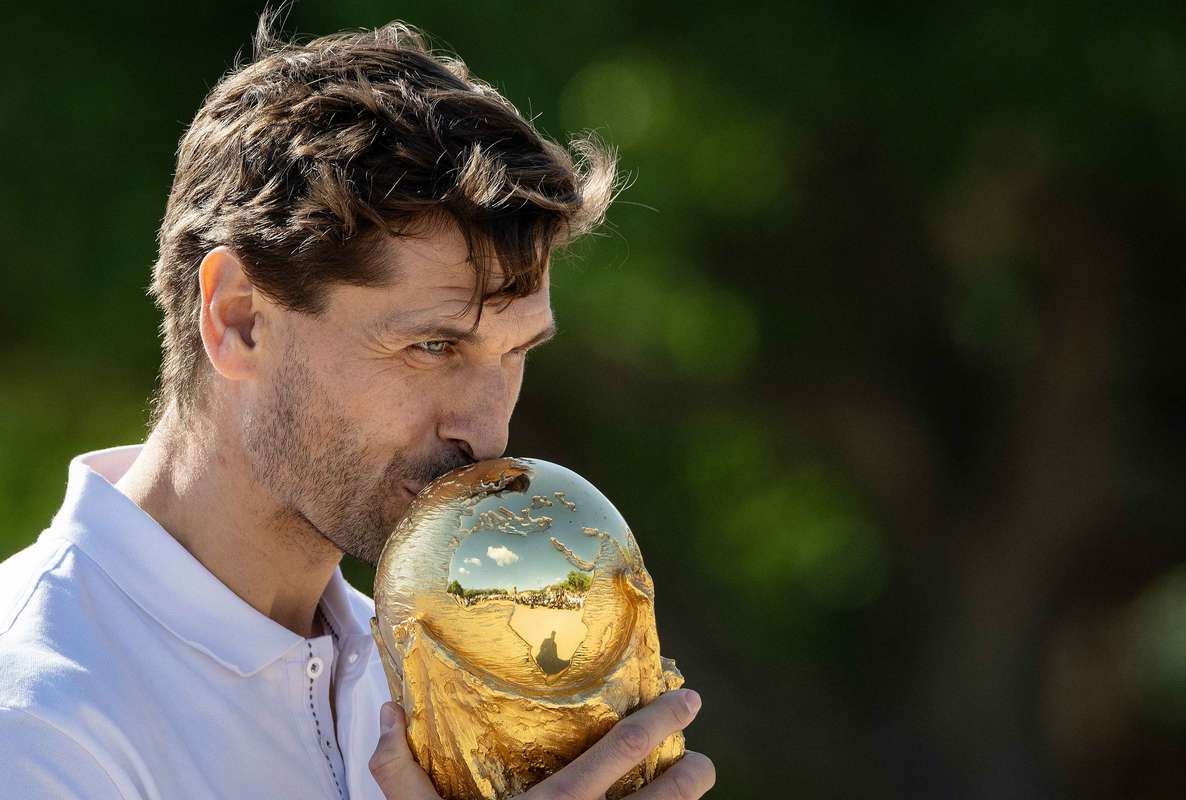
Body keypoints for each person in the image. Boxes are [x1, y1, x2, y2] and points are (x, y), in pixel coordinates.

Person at [0, 11, 715, 800]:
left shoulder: (430, 666)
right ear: (238, 319)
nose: (486, 434)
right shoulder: (33, 721)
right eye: (433, 346)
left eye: (516, 353)